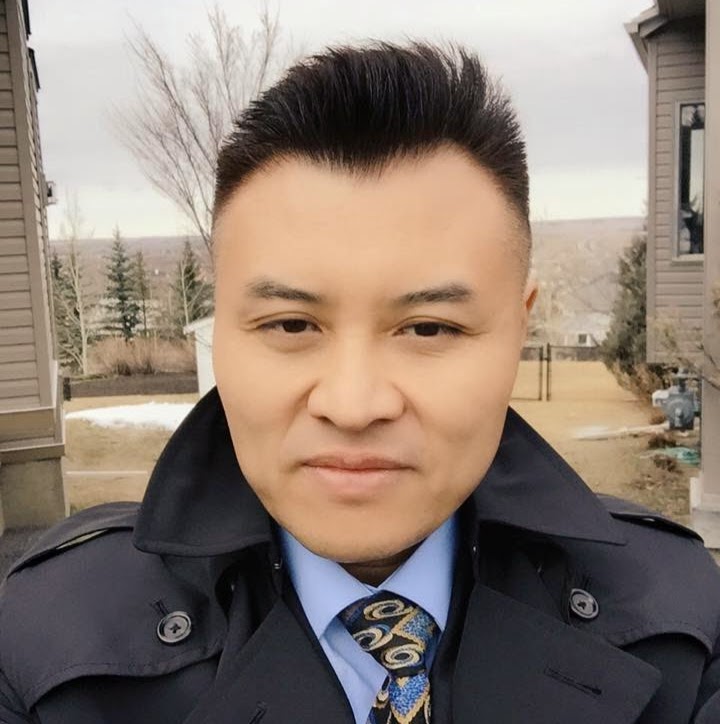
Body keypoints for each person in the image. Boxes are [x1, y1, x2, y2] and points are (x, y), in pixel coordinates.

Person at [1, 42, 719, 724]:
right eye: (291, 324)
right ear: (221, 326)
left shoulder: (686, 630)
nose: (352, 405)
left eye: (428, 329)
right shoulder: (41, 650)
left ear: (518, 330)